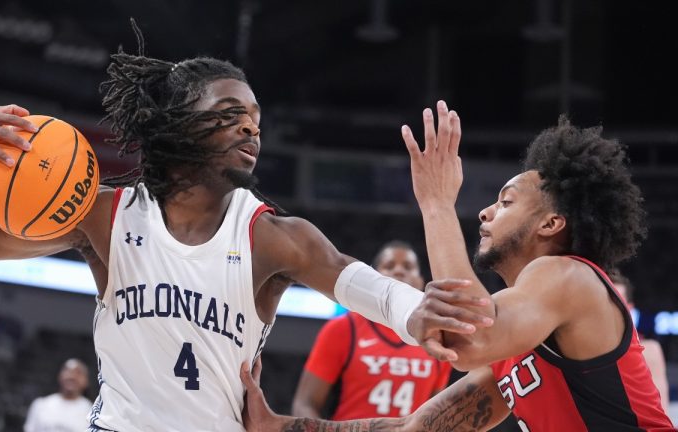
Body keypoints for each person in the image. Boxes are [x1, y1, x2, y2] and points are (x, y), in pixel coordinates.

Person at [0, 24, 485, 431]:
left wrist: (419, 313)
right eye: (229, 114)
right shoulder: (106, 215)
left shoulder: (273, 237)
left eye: (256, 120)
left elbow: (352, 277)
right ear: (180, 125)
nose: (250, 127)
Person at [240, 101, 676, 431]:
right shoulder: (516, 344)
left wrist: (436, 203)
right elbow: (418, 429)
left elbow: (470, 337)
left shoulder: (568, 274)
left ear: (551, 223)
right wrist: (282, 427)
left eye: (505, 202)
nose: (485, 213)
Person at [291, 241, 451, 420]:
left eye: (408, 266)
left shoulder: (437, 337)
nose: (399, 271)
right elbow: (305, 404)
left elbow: (436, 416)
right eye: (389, 265)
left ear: (421, 281)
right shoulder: (343, 329)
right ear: (372, 279)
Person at [611, 272, 670, 413]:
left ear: (629, 307)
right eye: (605, 301)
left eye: (617, 300)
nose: (610, 307)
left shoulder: (648, 351)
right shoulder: (571, 348)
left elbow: (661, 410)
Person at [24, 358, 93, 432]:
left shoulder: (93, 413)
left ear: (86, 381)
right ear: (59, 376)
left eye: (78, 373)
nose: (72, 376)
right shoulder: (40, 405)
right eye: (68, 371)